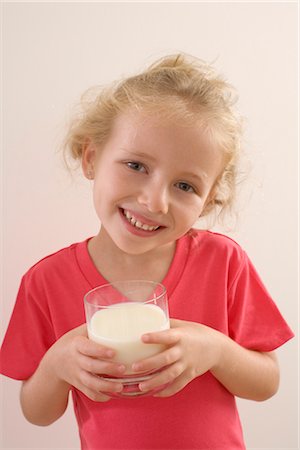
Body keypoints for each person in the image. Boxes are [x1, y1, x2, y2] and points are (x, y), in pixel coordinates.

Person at [0, 53, 294, 450]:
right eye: (136, 165)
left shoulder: (222, 262)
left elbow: (266, 384)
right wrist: (56, 365)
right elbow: (37, 413)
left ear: (206, 202)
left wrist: (216, 350)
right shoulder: (46, 281)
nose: (155, 202)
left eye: (186, 186)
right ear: (91, 158)